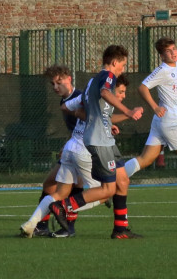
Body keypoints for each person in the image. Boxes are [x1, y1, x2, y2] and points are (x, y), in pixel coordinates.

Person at [49, 45, 144, 239]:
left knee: (123, 180)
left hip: (105, 139)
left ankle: (120, 229)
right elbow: (105, 94)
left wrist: (99, 120)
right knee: (107, 189)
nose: (122, 69)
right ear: (115, 62)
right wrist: (128, 111)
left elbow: (67, 106)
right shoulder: (108, 77)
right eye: (123, 65)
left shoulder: (92, 81)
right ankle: (64, 206)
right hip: (99, 140)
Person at [20, 74, 131, 238]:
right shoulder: (102, 98)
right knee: (105, 193)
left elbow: (68, 108)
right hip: (85, 149)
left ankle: (31, 224)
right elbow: (96, 117)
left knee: (58, 192)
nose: (123, 96)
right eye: (120, 92)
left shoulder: (86, 94)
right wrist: (122, 116)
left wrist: (106, 123)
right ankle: (63, 210)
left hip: (71, 147)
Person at [123, 37, 177, 215]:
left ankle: (115, 179)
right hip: (172, 121)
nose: (173, 52)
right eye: (168, 51)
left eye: (174, 49)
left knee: (145, 159)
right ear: (161, 55)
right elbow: (142, 87)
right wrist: (155, 107)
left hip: (161, 123)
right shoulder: (162, 70)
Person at [30, 65, 85, 237]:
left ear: (69, 78)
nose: (55, 87)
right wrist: (66, 144)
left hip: (85, 149)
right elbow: (76, 128)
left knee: (70, 187)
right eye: (52, 84)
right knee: (58, 185)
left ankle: (59, 226)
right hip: (75, 146)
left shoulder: (79, 97)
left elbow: (92, 120)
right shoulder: (65, 100)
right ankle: (52, 226)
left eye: (59, 83)